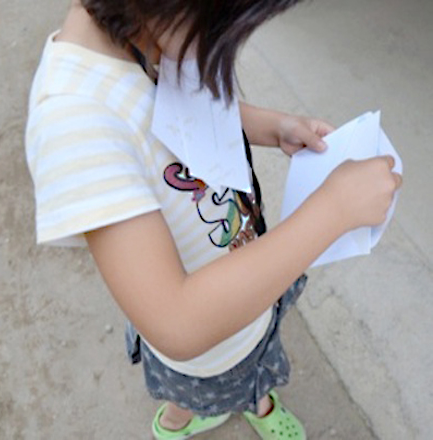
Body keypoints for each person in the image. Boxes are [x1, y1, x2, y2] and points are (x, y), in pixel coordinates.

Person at [25, 1, 402, 439]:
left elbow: (188, 111)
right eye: (221, 30)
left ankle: (255, 401)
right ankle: (181, 418)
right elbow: (177, 321)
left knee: (255, 358)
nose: (220, 50)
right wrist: (334, 211)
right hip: (207, 347)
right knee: (201, 387)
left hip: (249, 284)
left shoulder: (147, 36)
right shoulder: (74, 122)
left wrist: (273, 126)